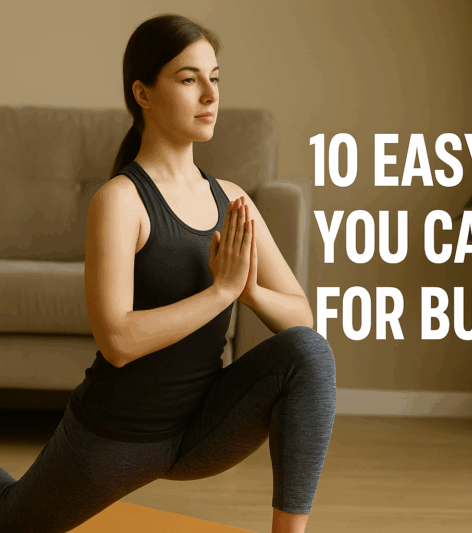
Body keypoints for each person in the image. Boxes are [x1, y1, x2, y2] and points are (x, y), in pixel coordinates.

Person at [0, 13, 336, 533]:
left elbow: (302, 318)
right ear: (144, 93)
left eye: (215, 77)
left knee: (308, 354)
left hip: (201, 429)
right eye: (188, 78)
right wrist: (222, 290)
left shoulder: (234, 200)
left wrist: (249, 293)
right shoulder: (120, 200)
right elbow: (117, 340)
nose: (210, 94)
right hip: (116, 437)